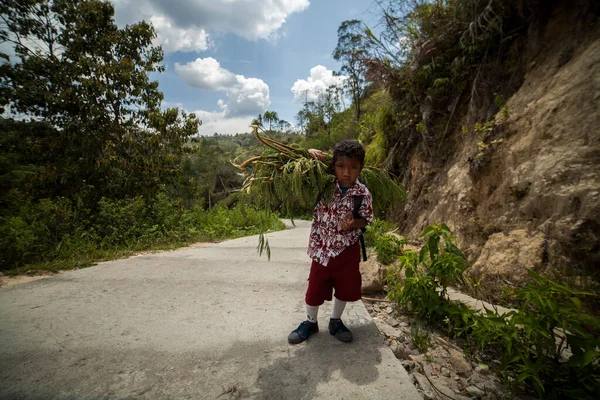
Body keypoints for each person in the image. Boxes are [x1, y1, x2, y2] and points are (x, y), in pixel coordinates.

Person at [288, 140, 373, 344]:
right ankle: (310, 322)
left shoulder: (363, 194)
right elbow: (301, 170)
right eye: (341, 166)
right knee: (315, 288)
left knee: (344, 288)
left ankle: (335, 321)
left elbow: (367, 220)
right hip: (321, 248)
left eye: (353, 167)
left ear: (360, 168)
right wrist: (308, 151)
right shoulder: (324, 184)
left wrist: (354, 222)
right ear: (333, 166)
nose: (346, 172)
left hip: (347, 249)